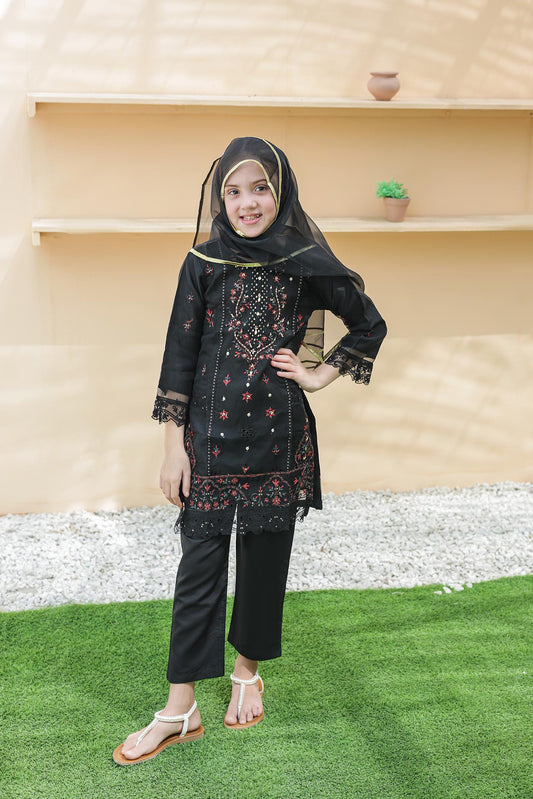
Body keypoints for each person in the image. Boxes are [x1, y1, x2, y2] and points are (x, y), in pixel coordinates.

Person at [113, 137, 387, 765]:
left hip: (277, 437)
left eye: (260, 188)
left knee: (264, 564)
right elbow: (179, 356)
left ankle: (247, 672)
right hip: (206, 441)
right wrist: (173, 447)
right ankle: (180, 706)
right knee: (198, 570)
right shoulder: (202, 262)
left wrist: (317, 375)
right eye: (233, 192)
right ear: (220, 200)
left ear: (280, 191)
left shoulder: (303, 260)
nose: (247, 203)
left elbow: (368, 323)